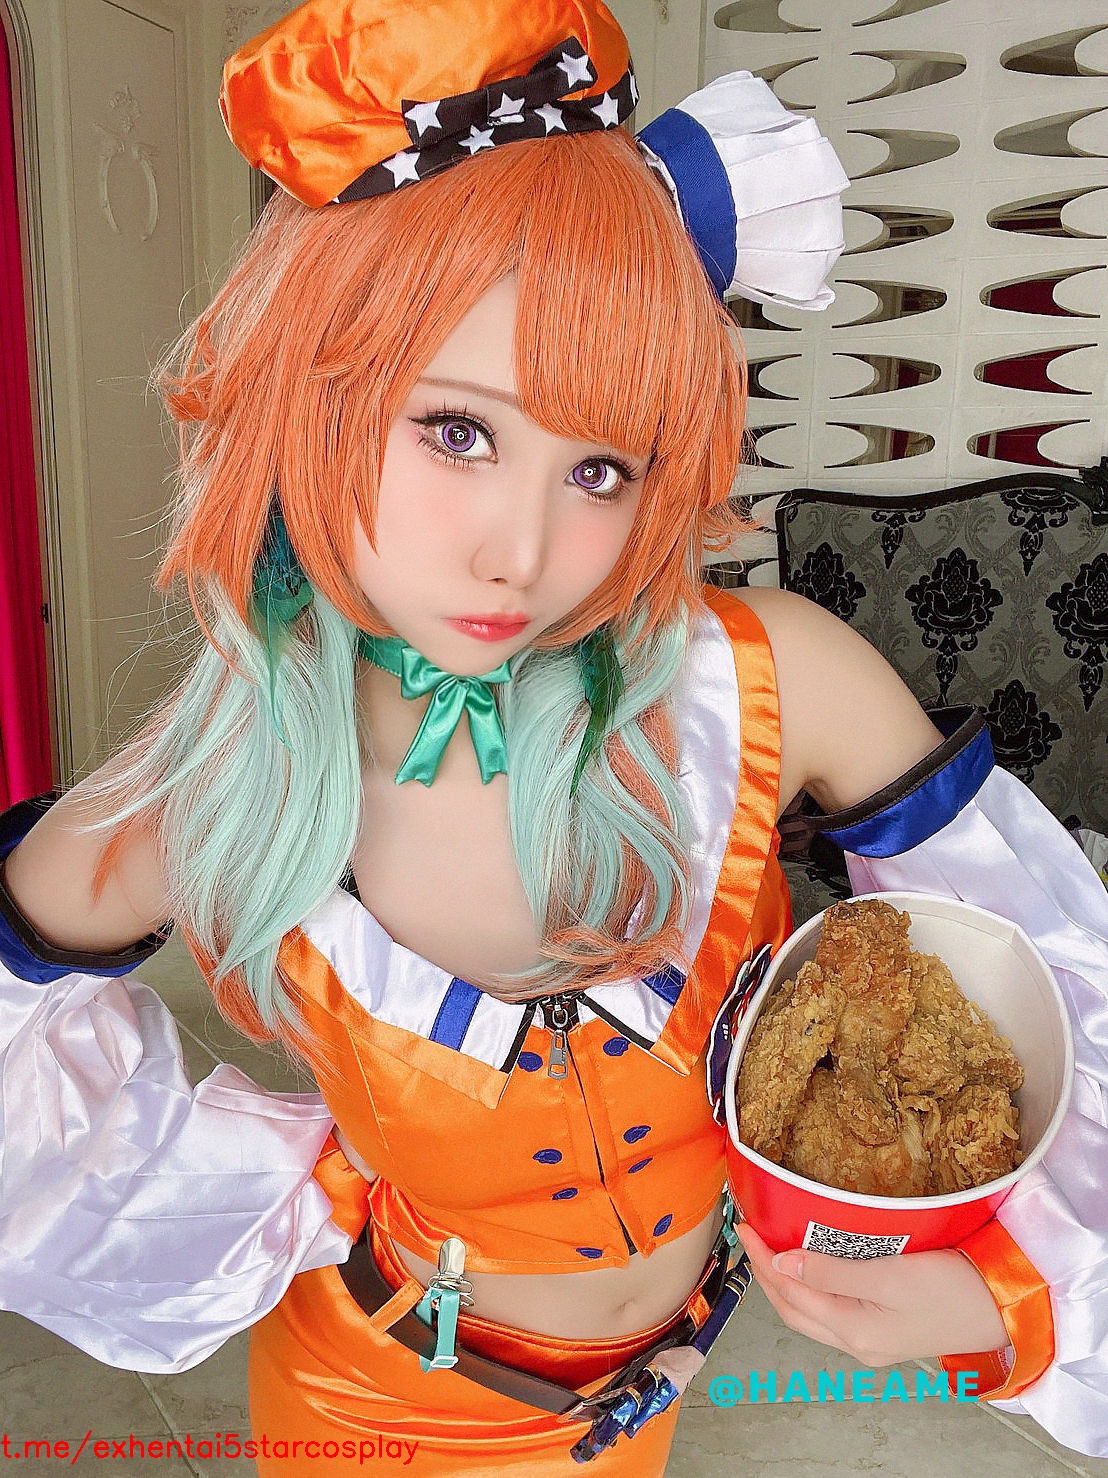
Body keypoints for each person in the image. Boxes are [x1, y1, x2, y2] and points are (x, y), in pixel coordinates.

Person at [0, 1, 1105, 1472]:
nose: (521, 553)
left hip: (637, 1404)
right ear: (307, 398)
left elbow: (1059, 987)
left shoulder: (774, 683)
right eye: (457, 430)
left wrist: (1013, 1285)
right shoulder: (218, 782)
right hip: (367, 1406)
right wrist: (259, 1190)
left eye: (599, 467)